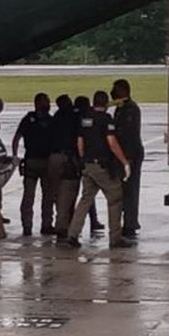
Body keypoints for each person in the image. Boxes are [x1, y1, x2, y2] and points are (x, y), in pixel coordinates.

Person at [62, 90, 135, 249]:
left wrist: (83, 160)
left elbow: (80, 142)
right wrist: (124, 162)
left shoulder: (85, 118)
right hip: (101, 165)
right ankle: (115, 238)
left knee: (85, 200)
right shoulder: (106, 119)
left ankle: (72, 235)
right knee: (115, 197)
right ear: (106, 103)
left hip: (88, 164)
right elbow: (112, 142)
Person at [12, 92, 56, 236]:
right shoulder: (51, 121)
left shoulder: (28, 119)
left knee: (29, 197)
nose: (48, 104)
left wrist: (15, 156)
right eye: (46, 102)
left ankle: (27, 226)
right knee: (47, 196)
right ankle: (46, 224)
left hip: (31, 161)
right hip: (44, 162)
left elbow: (16, 138)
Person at [111, 78, 144, 239]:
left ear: (124, 90)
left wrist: (128, 159)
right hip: (122, 155)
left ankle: (130, 223)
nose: (113, 92)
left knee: (130, 190)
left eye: (116, 89)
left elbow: (129, 135)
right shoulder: (120, 108)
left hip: (131, 154)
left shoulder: (131, 109)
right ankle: (126, 221)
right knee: (122, 190)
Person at [49, 94, 81, 242]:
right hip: (68, 158)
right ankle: (63, 226)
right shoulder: (75, 117)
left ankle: (60, 222)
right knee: (68, 194)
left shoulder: (55, 118)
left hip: (53, 157)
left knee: (56, 192)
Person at [73, 95, 105, 234]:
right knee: (88, 195)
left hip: (79, 159)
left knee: (83, 195)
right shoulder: (88, 119)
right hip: (86, 160)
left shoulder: (77, 119)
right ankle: (92, 221)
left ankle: (73, 227)